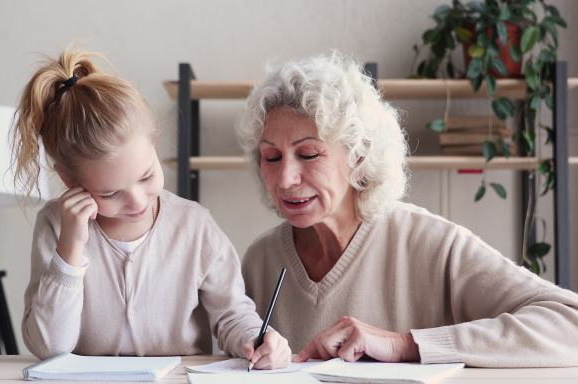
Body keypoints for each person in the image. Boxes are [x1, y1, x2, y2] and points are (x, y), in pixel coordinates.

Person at [238, 52, 578, 367]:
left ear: (358, 156)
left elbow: (569, 323)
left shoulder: (431, 243)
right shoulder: (259, 260)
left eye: (308, 154)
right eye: (271, 157)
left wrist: (405, 345)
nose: (285, 179)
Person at [12, 48, 291, 368]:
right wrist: (71, 249)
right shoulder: (57, 226)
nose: (137, 201)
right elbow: (49, 347)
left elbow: (231, 315)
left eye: (146, 176)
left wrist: (258, 338)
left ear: (154, 145)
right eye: (111, 193)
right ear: (70, 181)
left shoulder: (194, 225)